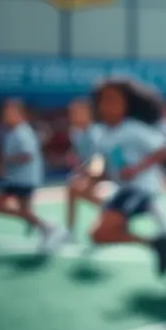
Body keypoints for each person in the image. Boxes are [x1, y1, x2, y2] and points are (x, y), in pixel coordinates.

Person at [86, 77, 166, 276]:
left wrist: (137, 168)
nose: (108, 106)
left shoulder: (133, 128)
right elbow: (106, 161)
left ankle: (161, 237)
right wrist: (94, 175)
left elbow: (163, 150)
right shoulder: (101, 132)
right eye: (104, 100)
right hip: (122, 189)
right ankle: (155, 243)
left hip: (141, 188)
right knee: (98, 235)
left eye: (114, 100)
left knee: (109, 225)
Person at [0, 98, 67, 252]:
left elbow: (27, 155)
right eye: (6, 113)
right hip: (17, 178)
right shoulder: (12, 132)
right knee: (23, 211)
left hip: (22, 179)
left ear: (22, 115)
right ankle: (46, 227)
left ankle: (47, 227)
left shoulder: (22, 132)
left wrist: (6, 160)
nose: (8, 116)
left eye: (12, 113)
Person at [64, 97, 104, 241]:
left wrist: (90, 176)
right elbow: (79, 154)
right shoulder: (75, 132)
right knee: (73, 190)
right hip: (86, 171)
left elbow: (99, 160)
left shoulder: (96, 133)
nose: (73, 116)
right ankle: (69, 231)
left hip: (105, 171)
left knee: (77, 189)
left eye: (77, 112)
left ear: (88, 113)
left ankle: (110, 209)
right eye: (72, 113)